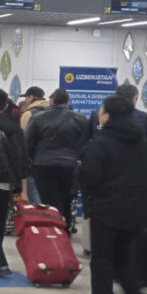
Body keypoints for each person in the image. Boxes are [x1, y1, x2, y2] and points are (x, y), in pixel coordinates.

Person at [78, 95, 147, 294]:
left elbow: (90, 176)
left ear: (108, 114)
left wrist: (91, 198)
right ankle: (135, 293)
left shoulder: (101, 142)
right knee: (125, 251)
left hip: (107, 206)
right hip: (137, 207)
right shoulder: (143, 143)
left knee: (102, 257)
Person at [25, 88, 88, 228]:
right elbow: (86, 144)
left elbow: (27, 144)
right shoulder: (80, 119)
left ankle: (51, 230)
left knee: (47, 202)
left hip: (43, 165)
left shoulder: (38, 118)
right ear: (67, 101)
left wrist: (30, 162)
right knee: (66, 200)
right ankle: (63, 229)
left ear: (51, 100)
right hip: (70, 166)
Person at [0, 89, 27, 273]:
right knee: (0, 220)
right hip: (6, 180)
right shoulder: (14, 125)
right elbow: (21, 156)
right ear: (5, 105)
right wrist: (20, 184)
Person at [80, 83, 147, 153]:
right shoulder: (145, 119)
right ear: (135, 98)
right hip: (134, 164)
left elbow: (83, 142)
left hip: (102, 162)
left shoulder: (97, 116)